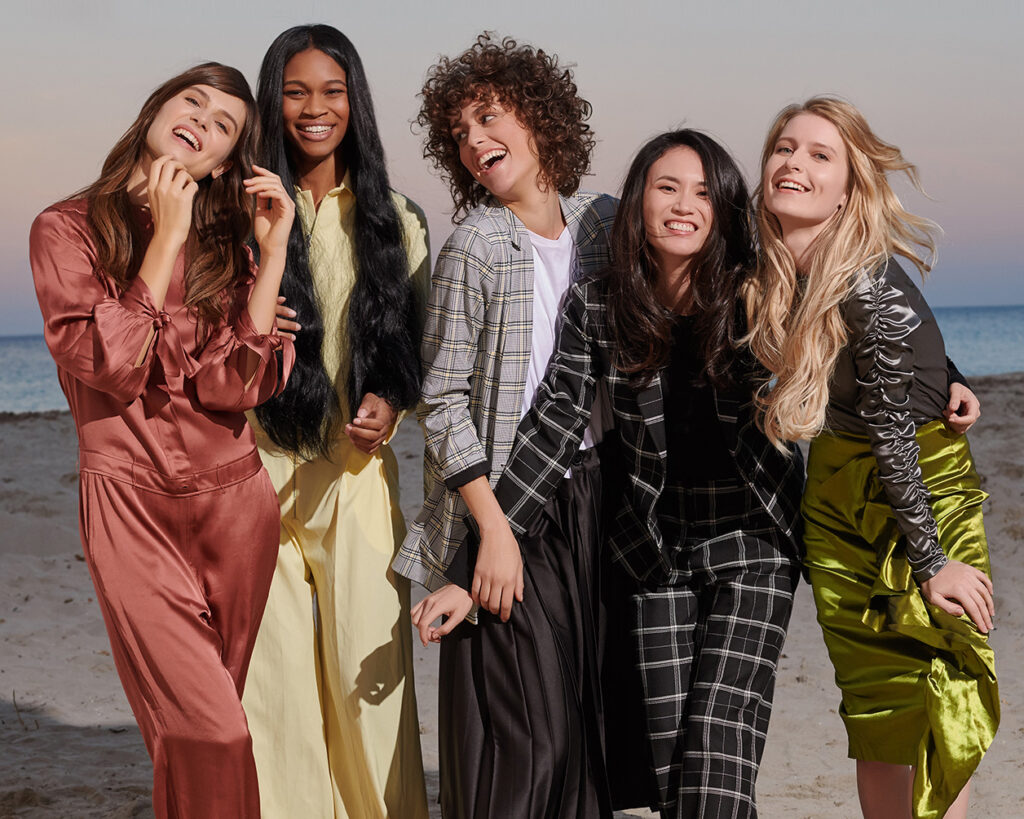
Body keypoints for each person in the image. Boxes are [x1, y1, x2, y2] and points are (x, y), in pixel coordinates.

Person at [416, 129, 809, 818]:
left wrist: (941, 375)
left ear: (724, 208)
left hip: (749, 547)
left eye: (702, 192)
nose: (683, 205)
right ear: (638, 201)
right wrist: (470, 564)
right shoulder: (603, 303)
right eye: (666, 187)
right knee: (669, 769)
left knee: (717, 751)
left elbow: (854, 316)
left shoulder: (756, 294)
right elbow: (552, 426)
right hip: (654, 555)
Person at [29, 63, 295, 818]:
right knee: (214, 733)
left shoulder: (229, 244)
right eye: (193, 103)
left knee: (197, 732)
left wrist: (271, 258)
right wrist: (164, 238)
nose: (201, 123)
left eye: (223, 127)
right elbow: (108, 369)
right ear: (158, 107)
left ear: (224, 163)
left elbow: (233, 387)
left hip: (237, 507)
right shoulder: (65, 228)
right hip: (128, 509)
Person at [745, 96, 997, 819]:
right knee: (877, 709)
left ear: (848, 189)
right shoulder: (777, 268)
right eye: (784, 147)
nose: (794, 162)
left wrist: (930, 562)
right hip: (835, 500)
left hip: (920, 492)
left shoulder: (865, 285)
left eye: (820, 155)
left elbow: (894, 430)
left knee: (935, 701)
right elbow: (912, 355)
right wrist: (952, 373)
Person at [390, 33, 620, 818]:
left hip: (594, 500)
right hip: (505, 503)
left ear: (542, 116)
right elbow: (441, 400)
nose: (474, 142)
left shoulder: (603, 224)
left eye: (489, 117)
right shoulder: (477, 245)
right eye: (457, 133)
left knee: (584, 737)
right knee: (524, 737)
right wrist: (491, 532)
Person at [240, 24, 431, 819]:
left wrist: (391, 402)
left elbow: (417, 347)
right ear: (270, 100)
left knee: (369, 686)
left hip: (357, 482)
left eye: (331, 91)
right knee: (275, 693)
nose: (314, 109)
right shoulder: (239, 209)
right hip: (253, 479)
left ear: (354, 100)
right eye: (294, 91)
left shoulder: (396, 215)